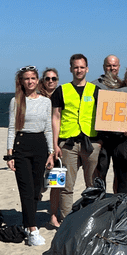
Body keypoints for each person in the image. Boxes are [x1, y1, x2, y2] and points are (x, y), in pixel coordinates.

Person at [50, 54, 101, 227]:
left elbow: (108, 115)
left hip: (91, 142)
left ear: (87, 69)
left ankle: (91, 219)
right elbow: (55, 117)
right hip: (68, 143)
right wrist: (55, 144)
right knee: (67, 185)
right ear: (71, 69)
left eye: (82, 67)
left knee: (92, 183)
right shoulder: (61, 90)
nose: (79, 70)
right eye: (75, 67)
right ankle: (67, 220)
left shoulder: (95, 90)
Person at [5, 66, 54, 246]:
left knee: (36, 190)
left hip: (40, 145)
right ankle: (33, 229)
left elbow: (48, 128)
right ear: (22, 81)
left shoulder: (46, 102)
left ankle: (27, 223)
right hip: (22, 146)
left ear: (37, 80)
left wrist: (51, 152)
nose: (30, 81)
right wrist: (9, 155)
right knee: (25, 188)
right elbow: (12, 128)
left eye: (33, 78)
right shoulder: (16, 101)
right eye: (27, 79)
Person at [94, 54, 125, 182]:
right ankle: (99, 200)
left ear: (119, 67)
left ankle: (117, 201)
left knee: (119, 174)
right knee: (100, 173)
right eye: (109, 65)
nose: (111, 68)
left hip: (121, 138)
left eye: (114, 65)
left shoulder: (125, 86)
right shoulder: (94, 86)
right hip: (102, 138)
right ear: (103, 67)